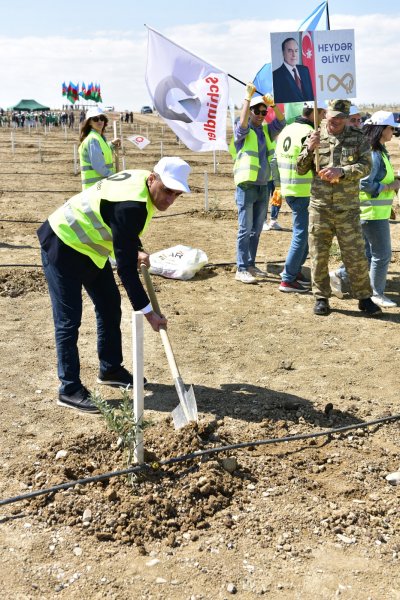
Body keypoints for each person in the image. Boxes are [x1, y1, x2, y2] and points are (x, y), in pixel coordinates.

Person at [37, 157, 191, 414]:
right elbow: (126, 270)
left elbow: (120, 227)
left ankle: (109, 368)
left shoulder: (142, 183)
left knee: (109, 304)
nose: (169, 200)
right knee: (68, 320)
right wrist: (148, 313)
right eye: (167, 191)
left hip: (89, 250)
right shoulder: (132, 204)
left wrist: (135, 248)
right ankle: (69, 389)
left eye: (176, 194)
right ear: (153, 179)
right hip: (63, 243)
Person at [296, 99, 381, 316]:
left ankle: (364, 298)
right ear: (325, 115)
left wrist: (342, 171)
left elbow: (366, 166)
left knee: (355, 256)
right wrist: (309, 149)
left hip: (347, 209)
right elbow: (300, 169)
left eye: (341, 117)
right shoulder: (314, 136)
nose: (336, 120)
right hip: (320, 208)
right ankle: (321, 297)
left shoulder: (357, 138)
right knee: (318, 255)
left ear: (346, 118)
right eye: (332, 116)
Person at [229, 83, 285, 284]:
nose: (261, 114)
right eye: (258, 111)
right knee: (245, 229)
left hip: (263, 186)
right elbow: (243, 122)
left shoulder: (267, 132)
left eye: (264, 111)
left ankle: (250, 265)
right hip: (247, 186)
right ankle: (241, 268)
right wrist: (247, 97)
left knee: (256, 229)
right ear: (251, 111)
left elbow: (282, 121)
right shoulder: (243, 131)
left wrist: (274, 106)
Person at [272, 101, 326, 293]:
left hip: (289, 188)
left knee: (305, 234)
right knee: (301, 234)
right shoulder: (308, 133)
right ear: (314, 113)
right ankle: (287, 279)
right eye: (323, 113)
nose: (325, 117)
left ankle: (295, 272)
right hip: (303, 190)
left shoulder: (287, 129)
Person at [329, 104, 363, 297]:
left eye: (360, 120)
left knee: (359, 247)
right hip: (343, 205)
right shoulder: (339, 143)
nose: (358, 123)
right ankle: (340, 275)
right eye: (354, 119)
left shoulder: (360, 142)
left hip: (356, 203)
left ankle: (343, 276)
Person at [78, 107, 120, 190]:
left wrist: (111, 144)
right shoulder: (93, 139)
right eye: (95, 119)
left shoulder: (98, 138)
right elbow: (98, 166)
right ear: (89, 122)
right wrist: (115, 176)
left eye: (102, 118)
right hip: (94, 188)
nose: (100, 121)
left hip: (100, 187)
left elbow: (101, 152)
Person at [272, 37, 314, 104]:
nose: (294, 55)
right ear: (283, 53)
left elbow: (311, 96)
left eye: (296, 51)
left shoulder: (305, 70)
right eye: (290, 51)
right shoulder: (276, 76)